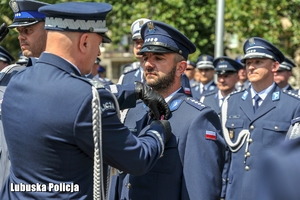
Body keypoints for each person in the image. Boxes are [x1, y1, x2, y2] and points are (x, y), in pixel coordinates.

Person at [0, 2, 173, 199]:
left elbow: (61, 101)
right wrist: (159, 130)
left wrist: (133, 91)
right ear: (84, 42)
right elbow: (137, 159)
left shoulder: (15, 81)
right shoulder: (86, 99)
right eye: (99, 44)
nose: (99, 53)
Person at [111, 20, 225, 200]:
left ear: (180, 67)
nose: (148, 64)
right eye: (146, 57)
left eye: (158, 58)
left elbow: (200, 192)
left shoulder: (197, 119)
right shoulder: (133, 111)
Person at [221, 37, 300, 200]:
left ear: (275, 66)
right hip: (235, 193)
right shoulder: (232, 102)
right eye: (248, 62)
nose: (251, 67)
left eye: (258, 62)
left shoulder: (293, 105)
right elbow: (224, 156)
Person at [0, 0, 49, 86]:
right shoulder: (9, 74)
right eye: (19, 31)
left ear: (48, 31)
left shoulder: (68, 76)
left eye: (27, 30)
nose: (20, 37)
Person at [118, 18, 150, 84]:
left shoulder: (162, 75)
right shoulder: (126, 78)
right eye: (137, 42)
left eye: (142, 42)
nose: (139, 46)